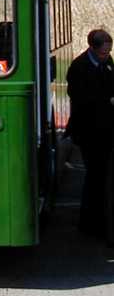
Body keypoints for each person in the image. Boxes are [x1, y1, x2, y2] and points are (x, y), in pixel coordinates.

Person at [66, 29, 114, 236]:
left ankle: (102, 218)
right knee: (95, 175)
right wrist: (106, 101)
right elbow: (80, 98)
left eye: (108, 51)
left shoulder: (107, 62)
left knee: (103, 176)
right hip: (88, 130)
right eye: (103, 52)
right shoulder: (78, 67)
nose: (106, 55)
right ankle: (89, 223)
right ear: (92, 48)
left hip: (106, 129)